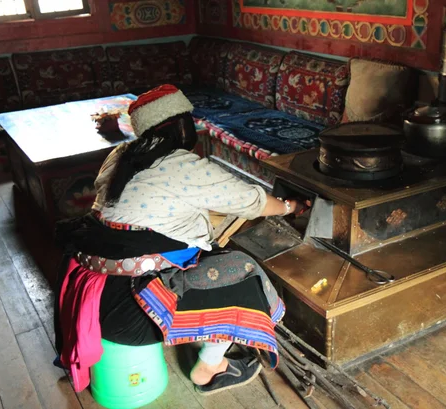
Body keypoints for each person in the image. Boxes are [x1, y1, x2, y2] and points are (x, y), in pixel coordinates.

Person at [54, 84, 309, 396]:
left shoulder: (120, 156)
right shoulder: (179, 164)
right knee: (242, 271)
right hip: (132, 314)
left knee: (205, 256)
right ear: (181, 126)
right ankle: (209, 368)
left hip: (94, 296)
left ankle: (203, 333)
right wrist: (289, 206)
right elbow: (252, 201)